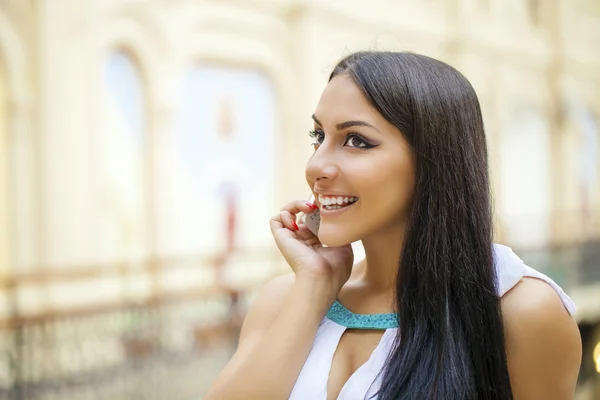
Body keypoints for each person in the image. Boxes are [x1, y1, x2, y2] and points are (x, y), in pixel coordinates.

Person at [204, 51, 582, 400]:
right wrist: (316, 284)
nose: (316, 165)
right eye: (318, 136)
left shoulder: (521, 312)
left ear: (434, 160)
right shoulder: (285, 299)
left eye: (356, 140)